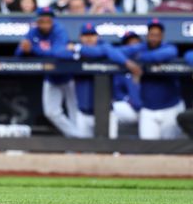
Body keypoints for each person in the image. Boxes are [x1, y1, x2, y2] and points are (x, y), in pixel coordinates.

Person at [53, 23, 142, 138]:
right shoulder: (77, 50)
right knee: (83, 152)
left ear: (97, 37)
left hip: (105, 113)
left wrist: (78, 49)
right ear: (80, 37)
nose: (89, 38)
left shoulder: (104, 48)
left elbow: (103, 50)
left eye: (92, 35)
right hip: (82, 114)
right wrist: (79, 52)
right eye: (86, 35)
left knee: (109, 151)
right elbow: (58, 53)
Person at [15, 7, 82, 138]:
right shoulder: (33, 32)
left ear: (52, 21)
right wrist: (24, 50)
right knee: (51, 112)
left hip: (68, 76)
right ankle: (79, 139)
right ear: (37, 22)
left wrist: (34, 49)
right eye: (42, 21)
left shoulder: (59, 30)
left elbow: (58, 53)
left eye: (48, 21)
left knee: (75, 112)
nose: (45, 24)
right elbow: (18, 53)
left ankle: (79, 143)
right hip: (51, 77)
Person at [120, 19, 184, 140]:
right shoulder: (140, 47)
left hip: (170, 107)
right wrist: (129, 62)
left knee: (169, 149)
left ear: (162, 36)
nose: (154, 38)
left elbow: (168, 53)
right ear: (147, 35)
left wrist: (140, 59)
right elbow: (117, 52)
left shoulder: (168, 47)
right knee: (147, 148)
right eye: (151, 34)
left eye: (157, 35)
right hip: (148, 109)